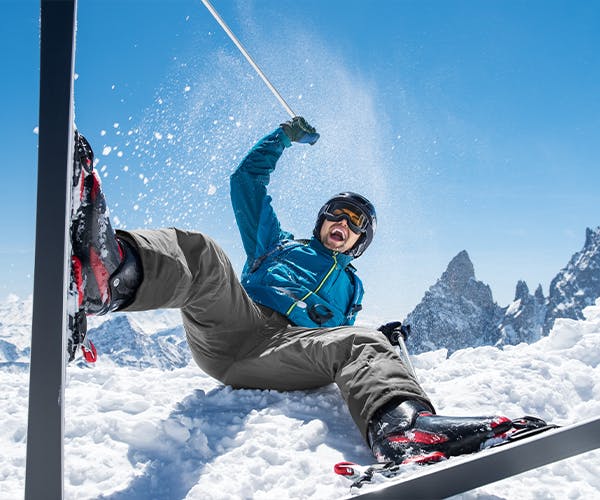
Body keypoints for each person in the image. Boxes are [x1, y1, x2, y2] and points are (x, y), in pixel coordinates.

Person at [70, 117, 546, 466]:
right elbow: (246, 182)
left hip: (285, 353)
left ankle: (404, 433)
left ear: (361, 240)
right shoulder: (275, 244)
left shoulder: (351, 287)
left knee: (360, 339)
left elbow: (334, 344)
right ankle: (106, 278)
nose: (342, 223)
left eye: (355, 222)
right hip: (236, 325)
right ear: (321, 221)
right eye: (335, 214)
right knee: (204, 252)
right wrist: (282, 137)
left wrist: (378, 340)